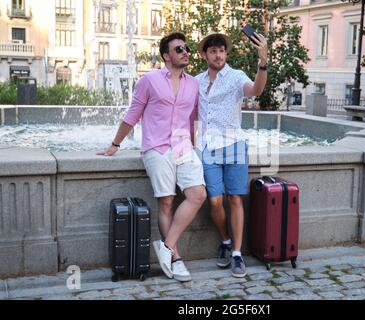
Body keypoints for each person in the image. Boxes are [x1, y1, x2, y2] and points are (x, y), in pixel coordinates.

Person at [97, 32, 207, 282]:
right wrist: (115, 144)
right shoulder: (149, 80)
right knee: (167, 202)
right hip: (156, 147)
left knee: (198, 194)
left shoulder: (193, 84)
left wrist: (192, 143)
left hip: (182, 146)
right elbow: (133, 114)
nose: (185, 52)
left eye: (186, 48)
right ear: (167, 55)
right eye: (179, 49)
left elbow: (192, 118)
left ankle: (165, 247)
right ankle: (176, 258)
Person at [195, 32, 268, 278]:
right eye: (213, 51)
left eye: (222, 51)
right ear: (205, 54)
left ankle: (236, 253)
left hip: (234, 144)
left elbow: (256, 90)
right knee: (214, 200)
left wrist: (263, 61)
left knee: (235, 199)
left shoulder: (236, 77)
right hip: (207, 147)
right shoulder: (196, 81)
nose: (218, 55)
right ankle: (225, 241)